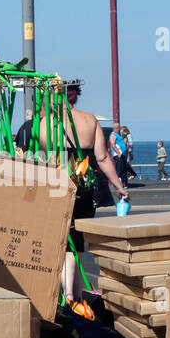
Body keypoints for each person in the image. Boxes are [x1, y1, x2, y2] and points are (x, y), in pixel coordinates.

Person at [21, 82, 128, 318]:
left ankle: (68, 295)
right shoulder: (89, 120)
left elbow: (29, 158)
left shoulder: (41, 125)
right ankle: (78, 296)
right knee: (77, 242)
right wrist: (119, 186)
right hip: (85, 186)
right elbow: (102, 157)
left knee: (61, 242)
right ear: (74, 96)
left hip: (54, 184)